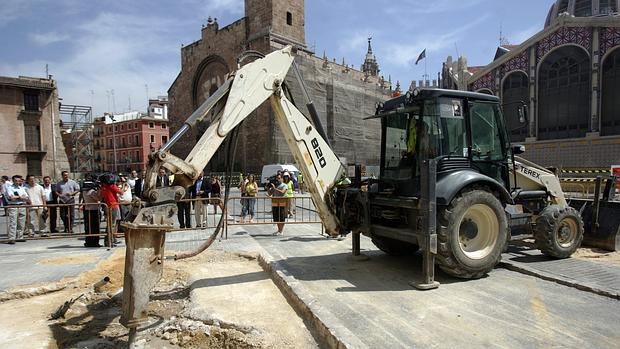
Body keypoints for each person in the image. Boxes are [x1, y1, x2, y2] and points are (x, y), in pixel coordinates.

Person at [98, 173, 123, 246]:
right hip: (113, 206)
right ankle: (109, 241)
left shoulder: (103, 187)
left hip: (107, 206)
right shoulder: (111, 186)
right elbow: (121, 192)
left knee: (109, 225)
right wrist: (124, 185)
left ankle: (108, 240)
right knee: (112, 225)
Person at [3, 175, 29, 244]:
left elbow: (26, 197)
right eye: (16, 181)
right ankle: (12, 238)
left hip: (22, 205)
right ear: (13, 181)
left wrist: (18, 197)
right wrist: (21, 197)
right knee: (13, 222)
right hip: (13, 206)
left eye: (19, 181)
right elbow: (11, 198)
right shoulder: (10, 188)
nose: (17, 182)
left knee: (21, 222)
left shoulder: (21, 188)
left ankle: (20, 236)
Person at [81, 174, 101, 247]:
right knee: (95, 227)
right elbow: (99, 198)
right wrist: (99, 190)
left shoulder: (84, 191)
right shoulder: (91, 191)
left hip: (87, 209)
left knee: (88, 227)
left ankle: (88, 241)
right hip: (93, 210)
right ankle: (94, 242)